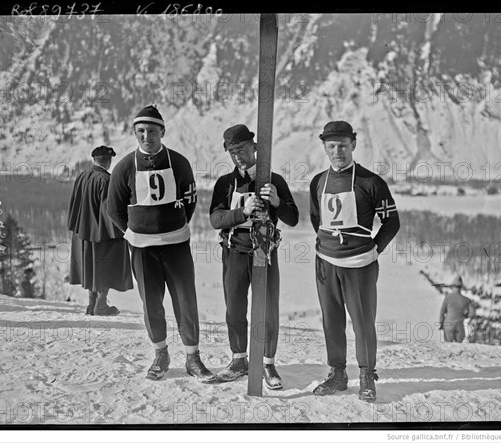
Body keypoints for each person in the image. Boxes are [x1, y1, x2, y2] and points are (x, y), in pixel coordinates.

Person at [107, 105, 216, 383]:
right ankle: (161, 353)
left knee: (185, 300)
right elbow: (114, 208)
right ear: (134, 134)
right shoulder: (123, 167)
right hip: (141, 249)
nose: (147, 136)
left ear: (162, 132)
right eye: (141, 131)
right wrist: (134, 231)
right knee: (151, 303)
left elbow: (190, 201)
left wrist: (173, 225)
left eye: (153, 131)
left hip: (175, 244)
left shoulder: (179, 163)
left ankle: (193, 356)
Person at [309, 121, 400, 402]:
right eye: (332, 146)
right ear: (325, 148)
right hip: (326, 262)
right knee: (331, 321)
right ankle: (338, 373)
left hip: (360, 263)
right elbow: (317, 220)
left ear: (354, 145)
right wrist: (329, 245)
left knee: (362, 322)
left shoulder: (370, 182)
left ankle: (366, 374)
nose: (338, 151)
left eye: (343, 145)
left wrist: (375, 249)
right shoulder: (318, 181)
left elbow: (392, 222)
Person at [209, 124, 299, 389]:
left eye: (242, 149)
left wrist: (277, 203)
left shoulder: (274, 180)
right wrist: (241, 212)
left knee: (268, 309)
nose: (238, 156)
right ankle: (239, 360)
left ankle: (268, 363)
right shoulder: (225, 183)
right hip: (235, 251)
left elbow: (293, 219)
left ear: (255, 147)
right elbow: (215, 218)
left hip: (264, 252)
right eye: (232, 151)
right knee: (235, 307)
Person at [67, 145, 133, 316]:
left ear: (95, 160)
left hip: (83, 233)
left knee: (90, 267)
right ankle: (101, 305)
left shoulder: (82, 176)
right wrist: (123, 231)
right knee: (105, 268)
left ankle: (91, 304)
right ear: (109, 161)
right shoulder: (107, 180)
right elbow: (110, 211)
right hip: (102, 234)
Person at [438, 274, 476, 343]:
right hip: (459, 327)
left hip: (448, 326)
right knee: (458, 347)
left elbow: (442, 312)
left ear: (452, 286)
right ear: (461, 287)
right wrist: (466, 316)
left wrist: (441, 324)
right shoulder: (466, 300)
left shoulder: (447, 297)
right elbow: (473, 313)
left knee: (448, 347)